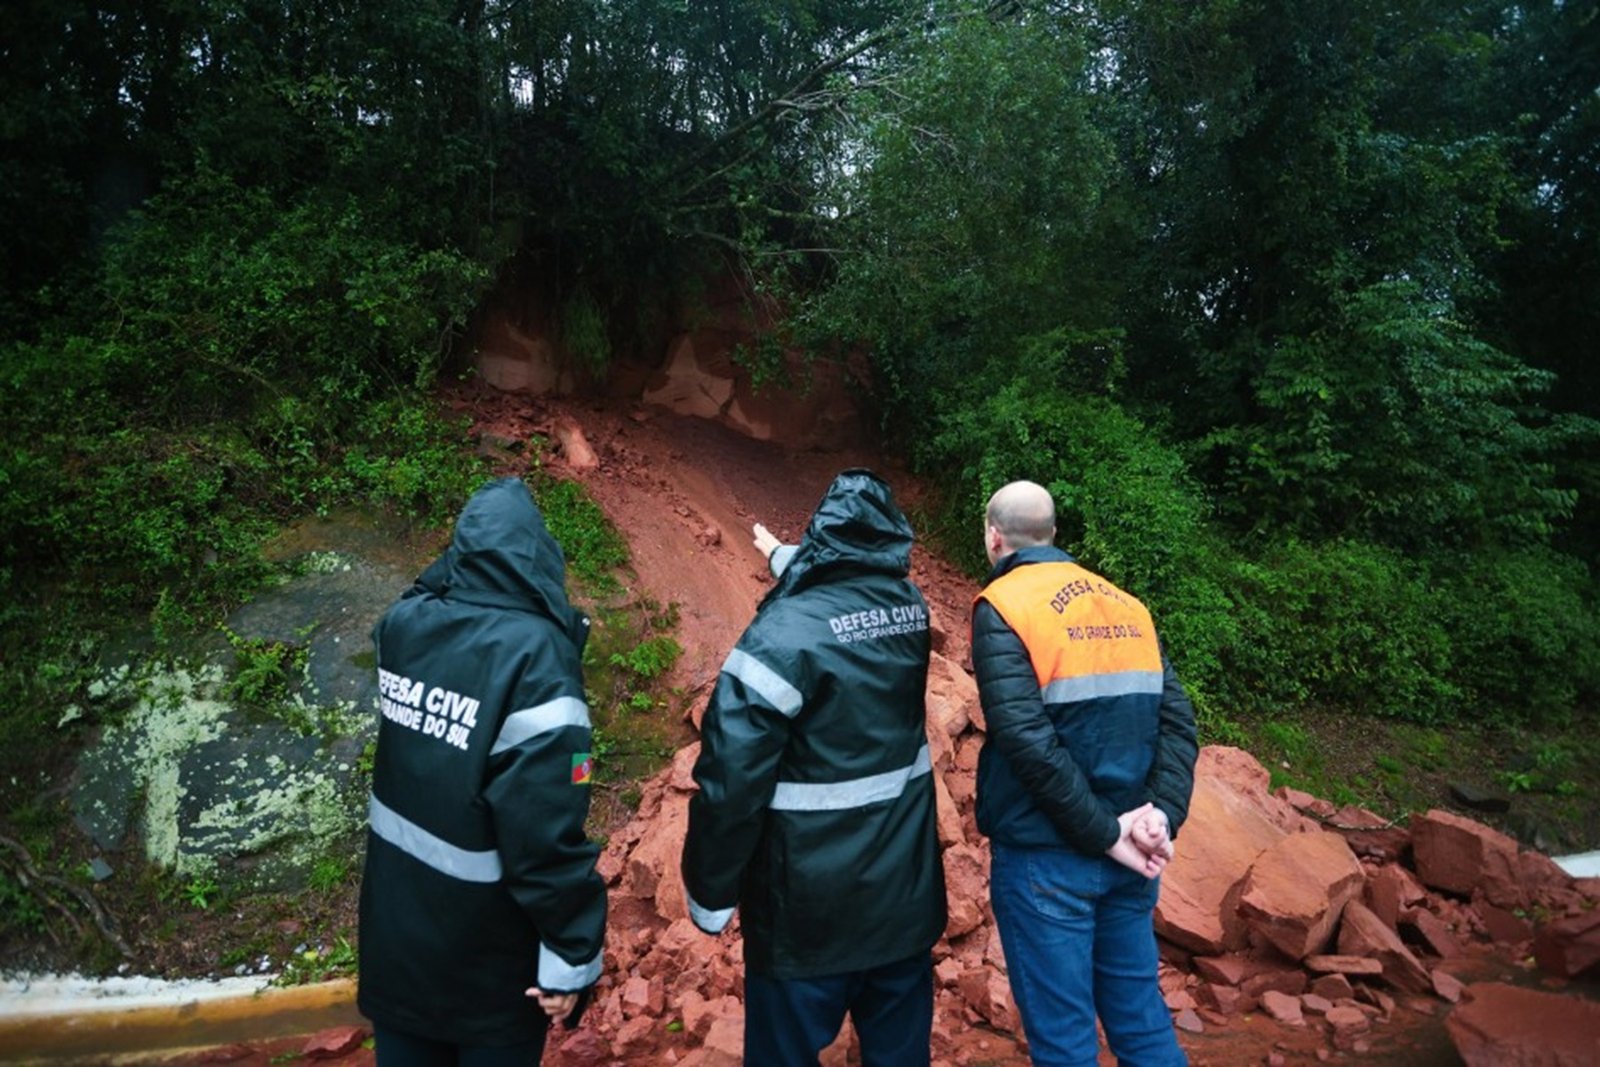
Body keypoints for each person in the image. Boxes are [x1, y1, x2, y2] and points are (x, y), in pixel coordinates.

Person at [681, 469, 948, 1067]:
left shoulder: (779, 641)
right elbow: (850, 602)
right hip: (903, 908)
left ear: (823, 537)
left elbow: (729, 783)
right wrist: (783, 557)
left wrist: (709, 893)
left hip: (806, 918)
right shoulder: (910, 612)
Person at [358, 476, 607, 1066]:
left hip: (395, 948)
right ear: (540, 554)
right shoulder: (538, 659)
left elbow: (424, 589)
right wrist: (573, 957)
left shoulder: (404, 627)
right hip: (488, 971)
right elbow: (544, 838)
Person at [971, 480, 1198, 1067]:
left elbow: (1026, 741)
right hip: (1133, 855)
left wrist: (1104, 834)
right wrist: (1159, 817)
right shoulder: (1127, 605)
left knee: (1065, 1042)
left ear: (995, 537)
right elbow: (1178, 724)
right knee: (1143, 1026)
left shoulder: (1004, 605)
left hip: (1047, 860)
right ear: (1053, 534)